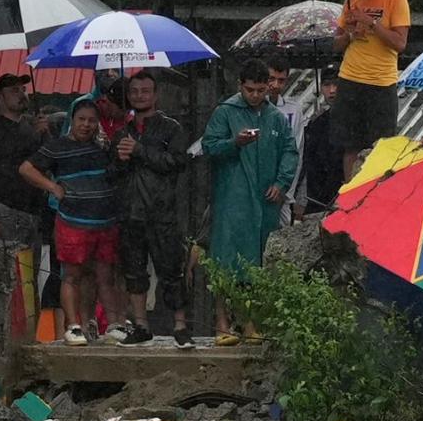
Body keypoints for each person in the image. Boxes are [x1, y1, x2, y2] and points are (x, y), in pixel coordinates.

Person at [204, 58, 299, 344]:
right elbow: (209, 147)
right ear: (240, 86)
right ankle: (222, 324)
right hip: (233, 200)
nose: (256, 95)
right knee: (225, 259)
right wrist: (235, 143)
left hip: (266, 200)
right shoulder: (225, 112)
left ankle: (249, 323)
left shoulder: (275, 117)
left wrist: (281, 183)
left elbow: (290, 152)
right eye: (250, 90)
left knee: (256, 263)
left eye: (260, 90)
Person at [19, 98, 125, 345]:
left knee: (103, 275)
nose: (86, 125)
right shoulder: (57, 147)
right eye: (81, 120)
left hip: (104, 222)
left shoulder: (103, 148)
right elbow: (26, 169)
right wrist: (52, 187)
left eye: (91, 121)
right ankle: (73, 325)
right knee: (71, 275)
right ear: (72, 120)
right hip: (72, 222)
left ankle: (110, 324)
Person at [110, 70, 192, 346]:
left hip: (161, 211)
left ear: (155, 95)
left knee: (171, 269)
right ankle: (141, 325)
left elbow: (178, 162)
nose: (139, 96)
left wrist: (140, 151)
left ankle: (180, 325)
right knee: (133, 270)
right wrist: (120, 159)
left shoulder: (171, 128)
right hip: (129, 211)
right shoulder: (122, 131)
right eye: (134, 91)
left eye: (145, 91)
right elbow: (112, 174)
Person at [333, 0, 410, 182]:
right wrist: (349, 34)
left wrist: (372, 23)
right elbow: (335, 45)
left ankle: (374, 191)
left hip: (381, 83)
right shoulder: (352, 1)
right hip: (350, 78)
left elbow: (400, 43)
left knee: (381, 145)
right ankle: (349, 190)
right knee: (350, 145)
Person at [0, 72, 45, 248]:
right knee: (5, 270)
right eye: (14, 91)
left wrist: (44, 134)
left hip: (33, 210)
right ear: (0, 98)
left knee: (28, 273)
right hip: (4, 210)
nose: (22, 94)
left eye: (23, 89)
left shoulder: (30, 126)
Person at [295, 77, 345, 214]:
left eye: (336, 84)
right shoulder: (316, 123)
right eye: (327, 85)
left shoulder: (354, 121)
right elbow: (308, 163)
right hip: (317, 199)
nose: (332, 90)